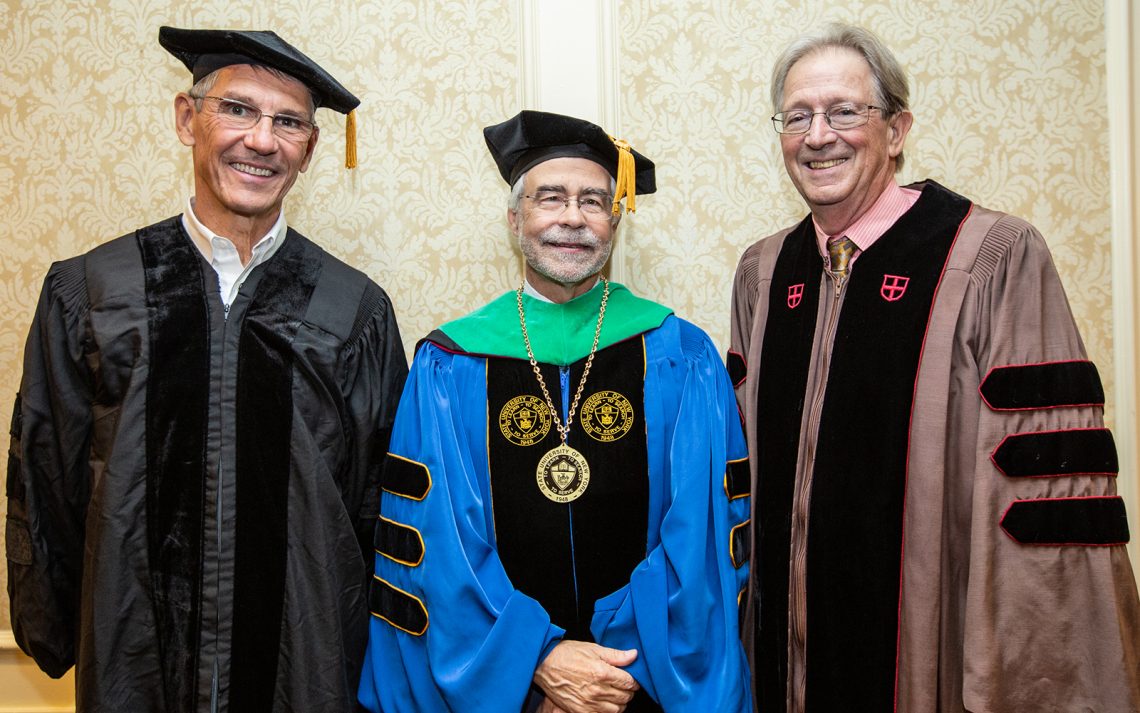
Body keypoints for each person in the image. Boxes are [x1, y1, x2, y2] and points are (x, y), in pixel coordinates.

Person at [729, 21, 1140, 713]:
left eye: (845, 111)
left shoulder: (992, 256)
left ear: (896, 130)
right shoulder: (764, 272)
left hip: (933, 657)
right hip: (786, 662)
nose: (818, 134)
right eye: (797, 116)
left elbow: (1047, 493)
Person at [6, 26, 407, 712]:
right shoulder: (92, 291)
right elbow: (47, 474)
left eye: (287, 122)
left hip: (303, 670)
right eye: (239, 109)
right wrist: (55, 627)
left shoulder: (354, 310)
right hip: (134, 656)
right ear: (187, 119)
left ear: (308, 150)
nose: (261, 140)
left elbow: (382, 503)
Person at [358, 110, 752, 713]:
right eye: (551, 198)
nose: (573, 217)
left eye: (594, 201)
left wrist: (613, 670)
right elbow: (435, 542)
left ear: (615, 223)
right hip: (504, 687)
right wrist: (535, 659)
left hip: (638, 683)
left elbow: (702, 533)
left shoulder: (681, 354)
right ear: (515, 220)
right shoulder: (450, 364)